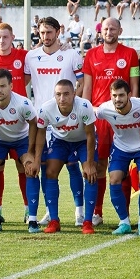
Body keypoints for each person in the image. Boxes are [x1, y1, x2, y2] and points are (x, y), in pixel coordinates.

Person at [24, 16, 85, 226]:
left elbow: (82, 81)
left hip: (68, 118)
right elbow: (22, 82)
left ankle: (79, 210)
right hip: (43, 120)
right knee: (45, 165)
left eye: (49, 32)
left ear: (58, 31)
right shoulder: (31, 56)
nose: (45, 36)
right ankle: (51, 211)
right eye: (42, 33)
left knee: (72, 164)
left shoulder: (71, 54)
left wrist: (77, 106)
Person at [82, 17, 140, 228]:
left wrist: (133, 113)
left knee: (122, 165)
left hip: (122, 117)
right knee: (98, 165)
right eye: (106, 28)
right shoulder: (91, 54)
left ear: (120, 30)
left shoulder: (130, 54)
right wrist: (86, 114)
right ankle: (97, 212)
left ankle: (123, 214)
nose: (109, 31)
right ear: (101, 31)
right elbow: (87, 87)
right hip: (99, 117)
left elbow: (134, 86)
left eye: (113, 28)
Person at [27, 79, 96, 234]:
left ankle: (87, 222)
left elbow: (91, 135)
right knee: (50, 172)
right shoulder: (46, 108)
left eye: (66, 94)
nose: (62, 98)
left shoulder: (84, 106)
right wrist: (37, 160)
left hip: (82, 141)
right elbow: (41, 133)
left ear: (73, 94)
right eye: (58, 94)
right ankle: (54, 220)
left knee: (90, 173)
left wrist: (90, 163)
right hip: (60, 141)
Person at [0, 23, 30, 221]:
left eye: (5, 37)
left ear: (12, 37)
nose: (1, 41)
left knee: (23, 167)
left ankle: (28, 211)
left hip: (20, 124)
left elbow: (25, 79)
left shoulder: (24, 56)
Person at [0, 68, 37, 233]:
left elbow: (34, 124)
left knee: (31, 168)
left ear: (11, 86)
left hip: (21, 139)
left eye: (3, 86)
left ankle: (32, 219)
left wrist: (31, 153)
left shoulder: (23, 103)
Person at [94, 79, 140, 235]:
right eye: (114, 95)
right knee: (114, 179)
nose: (117, 99)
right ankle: (124, 222)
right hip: (121, 147)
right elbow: (91, 110)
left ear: (129, 95)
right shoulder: (105, 109)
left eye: (121, 95)